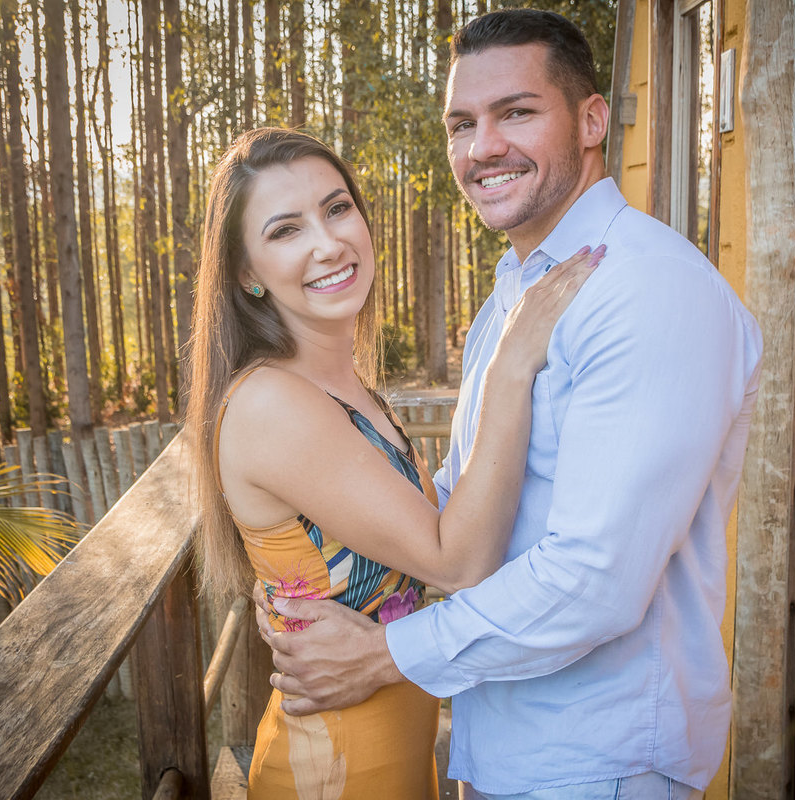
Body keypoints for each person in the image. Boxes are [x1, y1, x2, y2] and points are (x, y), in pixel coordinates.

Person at [258, 10, 764, 800]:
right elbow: (469, 511)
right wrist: (310, 578)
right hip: (505, 743)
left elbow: (595, 581)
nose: (482, 147)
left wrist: (385, 654)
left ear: (592, 120)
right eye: (462, 124)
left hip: (598, 759)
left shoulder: (646, 290)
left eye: (516, 112)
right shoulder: (517, 295)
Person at [184, 127, 603, 798]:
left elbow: (399, 527)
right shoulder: (273, 403)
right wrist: (512, 363)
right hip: (334, 771)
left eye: (337, 208)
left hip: (397, 755)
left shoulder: (338, 383)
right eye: (286, 230)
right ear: (246, 273)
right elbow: (456, 561)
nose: (328, 243)